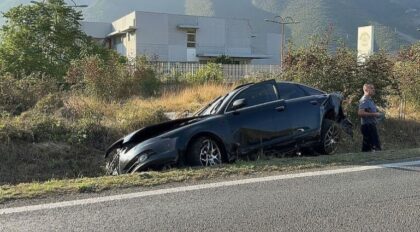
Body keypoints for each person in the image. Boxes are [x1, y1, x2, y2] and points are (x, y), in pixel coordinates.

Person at [358, 84, 382, 152]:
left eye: (373, 88)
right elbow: (360, 113)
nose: (373, 89)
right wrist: (374, 114)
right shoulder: (364, 100)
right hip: (367, 126)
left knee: (369, 148)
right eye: (371, 88)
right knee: (374, 147)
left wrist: (377, 115)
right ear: (366, 90)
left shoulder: (370, 100)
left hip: (371, 125)